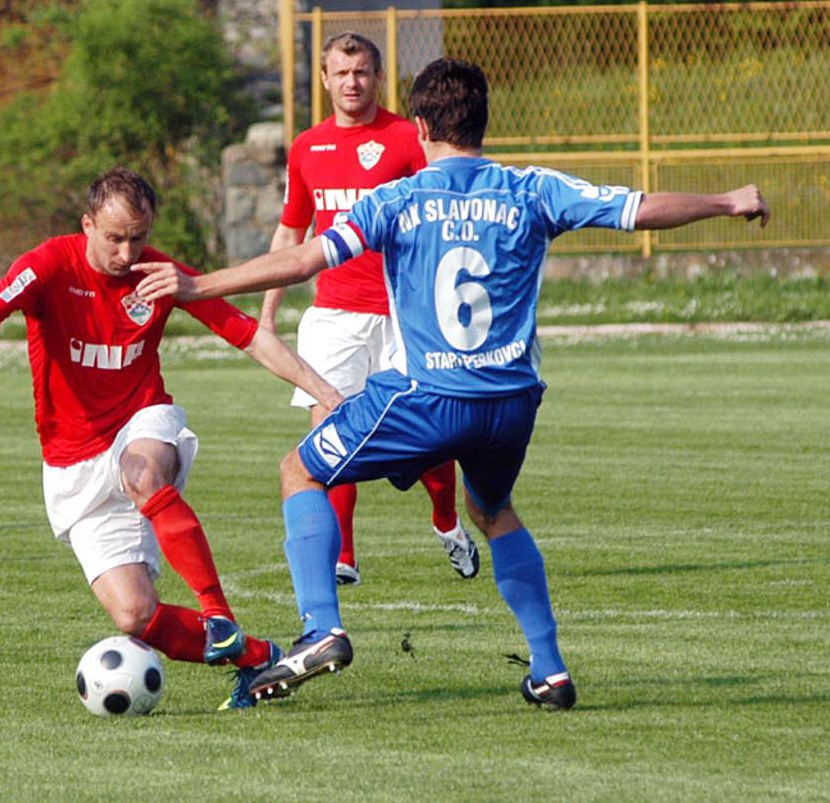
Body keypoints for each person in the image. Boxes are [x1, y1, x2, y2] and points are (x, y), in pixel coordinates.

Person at [134, 58, 769, 710]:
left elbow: (302, 258)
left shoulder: (399, 199)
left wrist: (197, 284)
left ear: (419, 128)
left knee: (300, 469)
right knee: (491, 511)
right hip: (513, 401)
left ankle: (321, 628)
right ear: (484, 122)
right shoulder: (531, 190)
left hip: (430, 396)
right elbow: (636, 209)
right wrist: (728, 201)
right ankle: (549, 669)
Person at [0, 168, 343, 710]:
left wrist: (327, 394)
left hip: (142, 423)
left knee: (142, 471)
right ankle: (258, 657)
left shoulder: (160, 275)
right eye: (114, 237)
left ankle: (217, 613)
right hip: (72, 465)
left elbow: (249, 336)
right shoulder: (50, 263)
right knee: (135, 615)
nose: (128, 251)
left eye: (138, 236)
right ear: (87, 224)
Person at [261, 32, 473, 585]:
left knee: (430, 430)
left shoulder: (408, 138)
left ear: (378, 78)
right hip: (334, 314)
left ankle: (447, 523)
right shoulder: (307, 147)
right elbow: (291, 232)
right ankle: (343, 556)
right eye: (341, 72)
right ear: (325, 80)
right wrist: (267, 315)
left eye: (362, 72)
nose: (351, 82)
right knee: (330, 427)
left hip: (406, 311)